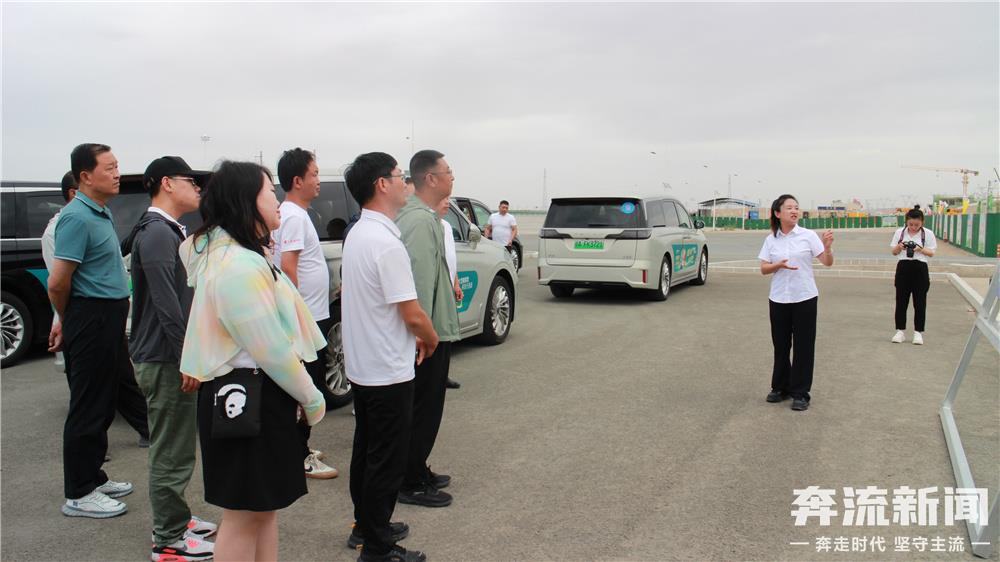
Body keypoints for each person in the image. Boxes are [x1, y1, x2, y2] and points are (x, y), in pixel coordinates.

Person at [179, 161, 326, 561]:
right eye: (269, 192)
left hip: (251, 396)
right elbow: (270, 347)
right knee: (244, 515)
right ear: (246, 201)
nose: (277, 200)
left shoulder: (238, 255)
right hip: (245, 399)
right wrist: (311, 397)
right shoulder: (238, 265)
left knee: (262, 509)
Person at [342, 152, 438, 562]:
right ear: (382, 184)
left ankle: (366, 526)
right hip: (387, 369)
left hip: (365, 366)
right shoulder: (385, 242)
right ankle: (378, 548)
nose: (406, 183)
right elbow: (411, 312)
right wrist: (430, 337)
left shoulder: (359, 233)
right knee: (386, 460)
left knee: (367, 452)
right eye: (400, 176)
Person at [120, 156, 216, 561]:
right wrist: (186, 358)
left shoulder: (166, 230)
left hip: (166, 355)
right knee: (170, 451)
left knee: (177, 447)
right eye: (190, 181)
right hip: (165, 359)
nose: (197, 188)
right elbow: (166, 306)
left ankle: (176, 518)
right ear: (166, 183)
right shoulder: (158, 233)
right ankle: (168, 539)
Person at [48, 144, 136, 518]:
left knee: (104, 400)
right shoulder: (76, 218)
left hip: (107, 316)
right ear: (85, 176)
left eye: (117, 166)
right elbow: (58, 282)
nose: (117, 174)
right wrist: (68, 320)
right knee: (87, 404)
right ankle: (79, 492)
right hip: (90, 316)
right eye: (109, 168)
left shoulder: (99, 211)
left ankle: (94, 477)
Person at [395, 150, 460, 508]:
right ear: (431, 179)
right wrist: (424, 333)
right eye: (448, 172)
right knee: (423, 409)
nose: (452, 177)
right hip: (428, 335)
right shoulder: (420, 220)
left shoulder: (424, 216)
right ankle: (410, 480)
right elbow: (419, 281)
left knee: (424, 406)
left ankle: (416, 467)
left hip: (433, 329)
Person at [273, 147, 338, 480]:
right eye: (314, 174)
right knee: (305, 388)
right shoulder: (295, 216)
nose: (318, 180)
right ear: (297, 181)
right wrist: (296, 317)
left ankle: (298, 447)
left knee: (305, 385)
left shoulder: (291, 213)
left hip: (308, 315)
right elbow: (288, 268)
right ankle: (297, 454)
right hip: (305, 319)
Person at [758, 194, 834, 412]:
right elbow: (763, 268)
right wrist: (778, 265)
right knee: (781, 345)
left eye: (796, 208)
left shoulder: (808, 236)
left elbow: (827, 262)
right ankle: (780, 387)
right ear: (777, 213)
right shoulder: (771, 239)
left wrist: (827, 248)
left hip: (804, 298)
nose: (794, 211)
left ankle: (800, 393)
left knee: (804, 346)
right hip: (779, 298)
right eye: (789, 208)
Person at [890, 206, 937, 345]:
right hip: (903, 267)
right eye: (910, 224)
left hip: (920, 268)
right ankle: (900, 331)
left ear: (922, 222)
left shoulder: (928, 234)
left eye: (917, 224)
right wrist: (899, 247)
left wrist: (920, 249)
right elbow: (894, 252)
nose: (913, 227)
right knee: (901, 301)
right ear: (906, 222)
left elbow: (932, 253)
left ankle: (918, 332)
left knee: (920, 302)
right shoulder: (900, 232)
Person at [436, 197, 462, 390]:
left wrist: (456, 282)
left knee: (446, 335)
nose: (447, 203)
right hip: (438, 288)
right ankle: (435, 376)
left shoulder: (446, 226)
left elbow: (450, 258)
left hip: (449, 285)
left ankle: (443, 374)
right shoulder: (429, 226)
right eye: (443, 200)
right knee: (437, 333)